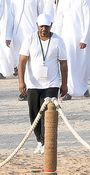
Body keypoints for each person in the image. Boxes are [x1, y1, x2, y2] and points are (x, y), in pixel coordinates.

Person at [17, 13, 68, 155]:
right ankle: (39, 140)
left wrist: (64, 84)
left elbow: (63, 64)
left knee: (48, 114)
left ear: (51, 25)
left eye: (46, 26)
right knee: (34, 115)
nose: (44, 29)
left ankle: (46, 142)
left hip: (51, 84)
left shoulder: (58, 41)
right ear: (37, 25)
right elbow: (22, 61)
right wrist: (21, 82)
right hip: (33, 84)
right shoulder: (30, 39)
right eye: (41, 26)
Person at [54, 0, 90, 100]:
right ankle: (69, 91)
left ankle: (82, 88)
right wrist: (56, 37)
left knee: (82, 64)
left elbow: (88, 20)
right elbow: (59, 19)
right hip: (66, 36)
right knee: (69, 63)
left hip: (80, 36)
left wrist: (84, 38)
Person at [9, 0, 44, 100]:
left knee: (33, 62)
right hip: (18, 34)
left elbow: (41, 16)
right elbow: (10, 17)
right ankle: (23, 89)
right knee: (21, 63)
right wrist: (8, 35)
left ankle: (32, 89)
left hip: (32, 34)